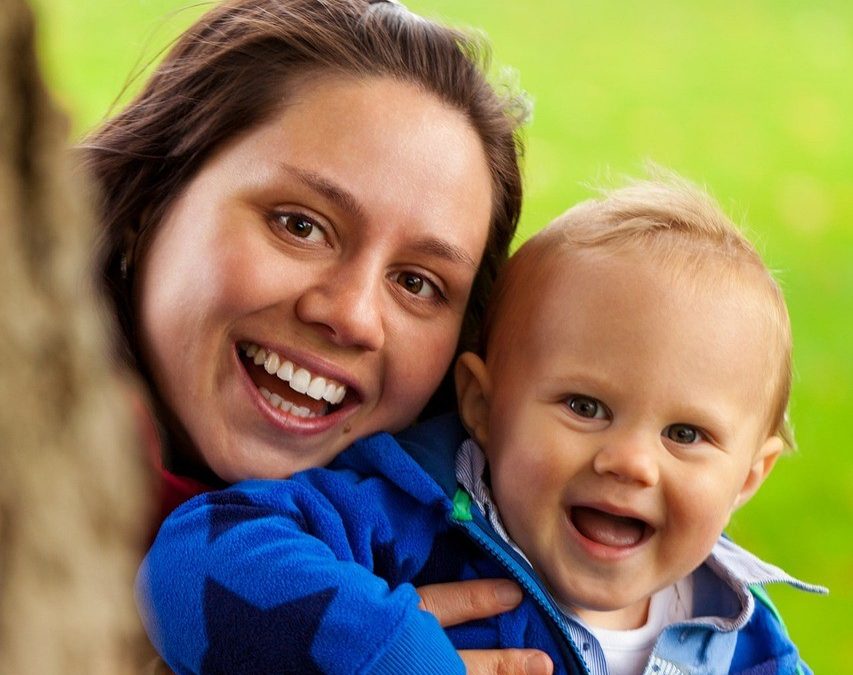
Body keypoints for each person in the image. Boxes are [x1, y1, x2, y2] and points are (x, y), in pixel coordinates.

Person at [139, 175, 825, 673]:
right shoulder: (407, 521)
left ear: (747, 475)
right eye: (584, 407)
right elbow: (192, 560)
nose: (631, 463)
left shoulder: (748, 641)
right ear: (480, 406)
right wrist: (388, 653)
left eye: (685, 435)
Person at [82, 0, 555, 673]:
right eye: (299, 225)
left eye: (416, 282)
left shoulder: (501, 559)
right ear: (149, 202)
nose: (353, 316)